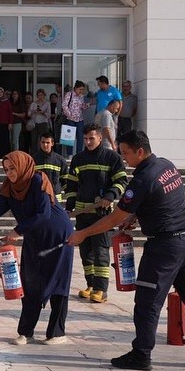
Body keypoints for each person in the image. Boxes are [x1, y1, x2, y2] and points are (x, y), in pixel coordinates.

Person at [67, 130, 185, 370]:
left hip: (164, 248)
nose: (123, 159)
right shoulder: (166, 166)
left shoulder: (143, 179)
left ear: (140, 151)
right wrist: (136, 215)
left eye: (126, 154)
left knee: (147, 302)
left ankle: (141, 353)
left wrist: (83, 233)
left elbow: (113, 219)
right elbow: (161, 201)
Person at [0, 151, 74, 345]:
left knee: (57, 282)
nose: (10, 173)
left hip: (58, 234)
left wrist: (17, 230)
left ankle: (57, 333)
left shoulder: (38, 180)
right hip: (33, 236)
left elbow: (44, 214)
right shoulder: (9, 189)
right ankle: (25, 332)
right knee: (29, 282)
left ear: (22, 165)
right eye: (6, 169)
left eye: (12, 168)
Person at [63, 123, 128, 303]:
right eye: (85, 139)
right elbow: (72, 185)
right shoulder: (78, 159)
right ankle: (90, 285)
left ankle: (101, 289)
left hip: (102, 213)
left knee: (101, 251)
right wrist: (70, 205)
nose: (88, 142)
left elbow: (122, 181)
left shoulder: (112, 157)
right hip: (83, 214)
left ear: (100, 138)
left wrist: (110, 195)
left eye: (92, 138)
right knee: (86, 252)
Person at [32, 132, 67, 201]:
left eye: (47, 142)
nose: (45, 145)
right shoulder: (33, 160)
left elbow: (65, 181)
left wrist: (69, 197)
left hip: (55, 198)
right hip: (39, 197)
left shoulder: (60, 160)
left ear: (52, 143)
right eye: (43, 142)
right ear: (40, 143)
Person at [62, 80, 90, 156]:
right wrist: (69, 114)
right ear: (75, 88)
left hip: (79, 119)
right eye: (80, 89)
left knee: (80, 138)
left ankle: (79, 154)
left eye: (82, 89)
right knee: (69, 138)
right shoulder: (69, 94)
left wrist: (87, 105)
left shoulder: (81, 97)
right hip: (70, 119)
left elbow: (82, 106)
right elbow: (64, 105)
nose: (81, 91)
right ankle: (69, 155)